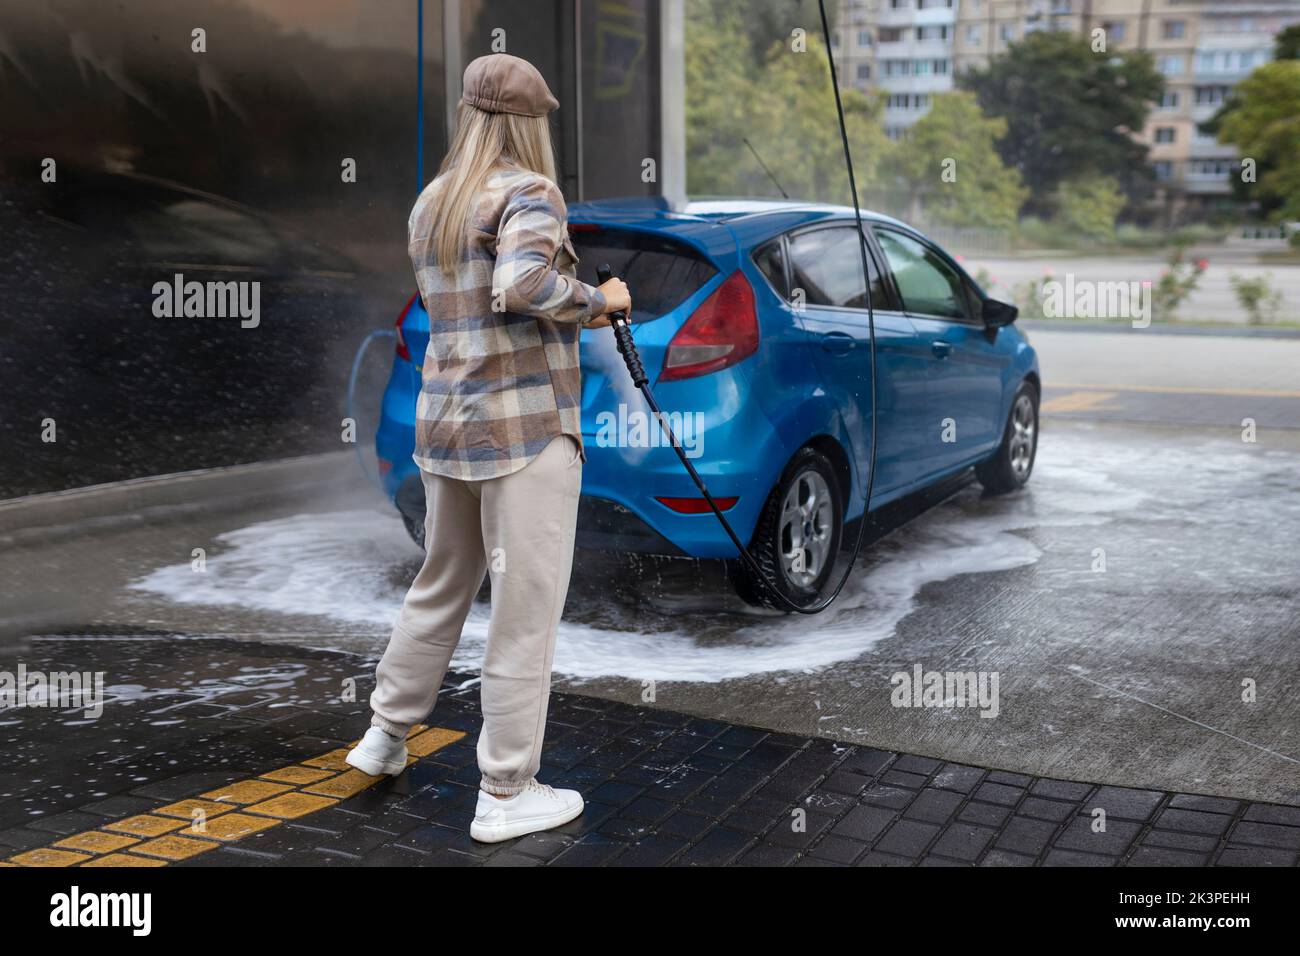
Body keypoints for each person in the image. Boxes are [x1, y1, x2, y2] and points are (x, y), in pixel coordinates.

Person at [345, 53, 630, 843]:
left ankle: (383, 738)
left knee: (439, 586)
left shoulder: (435, 200)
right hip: (525, 433)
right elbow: (524, 285)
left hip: (447, 430)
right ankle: (506, 792)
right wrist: (599, 300)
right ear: (527, 120)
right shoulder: (529, 191)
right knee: (523, 613)